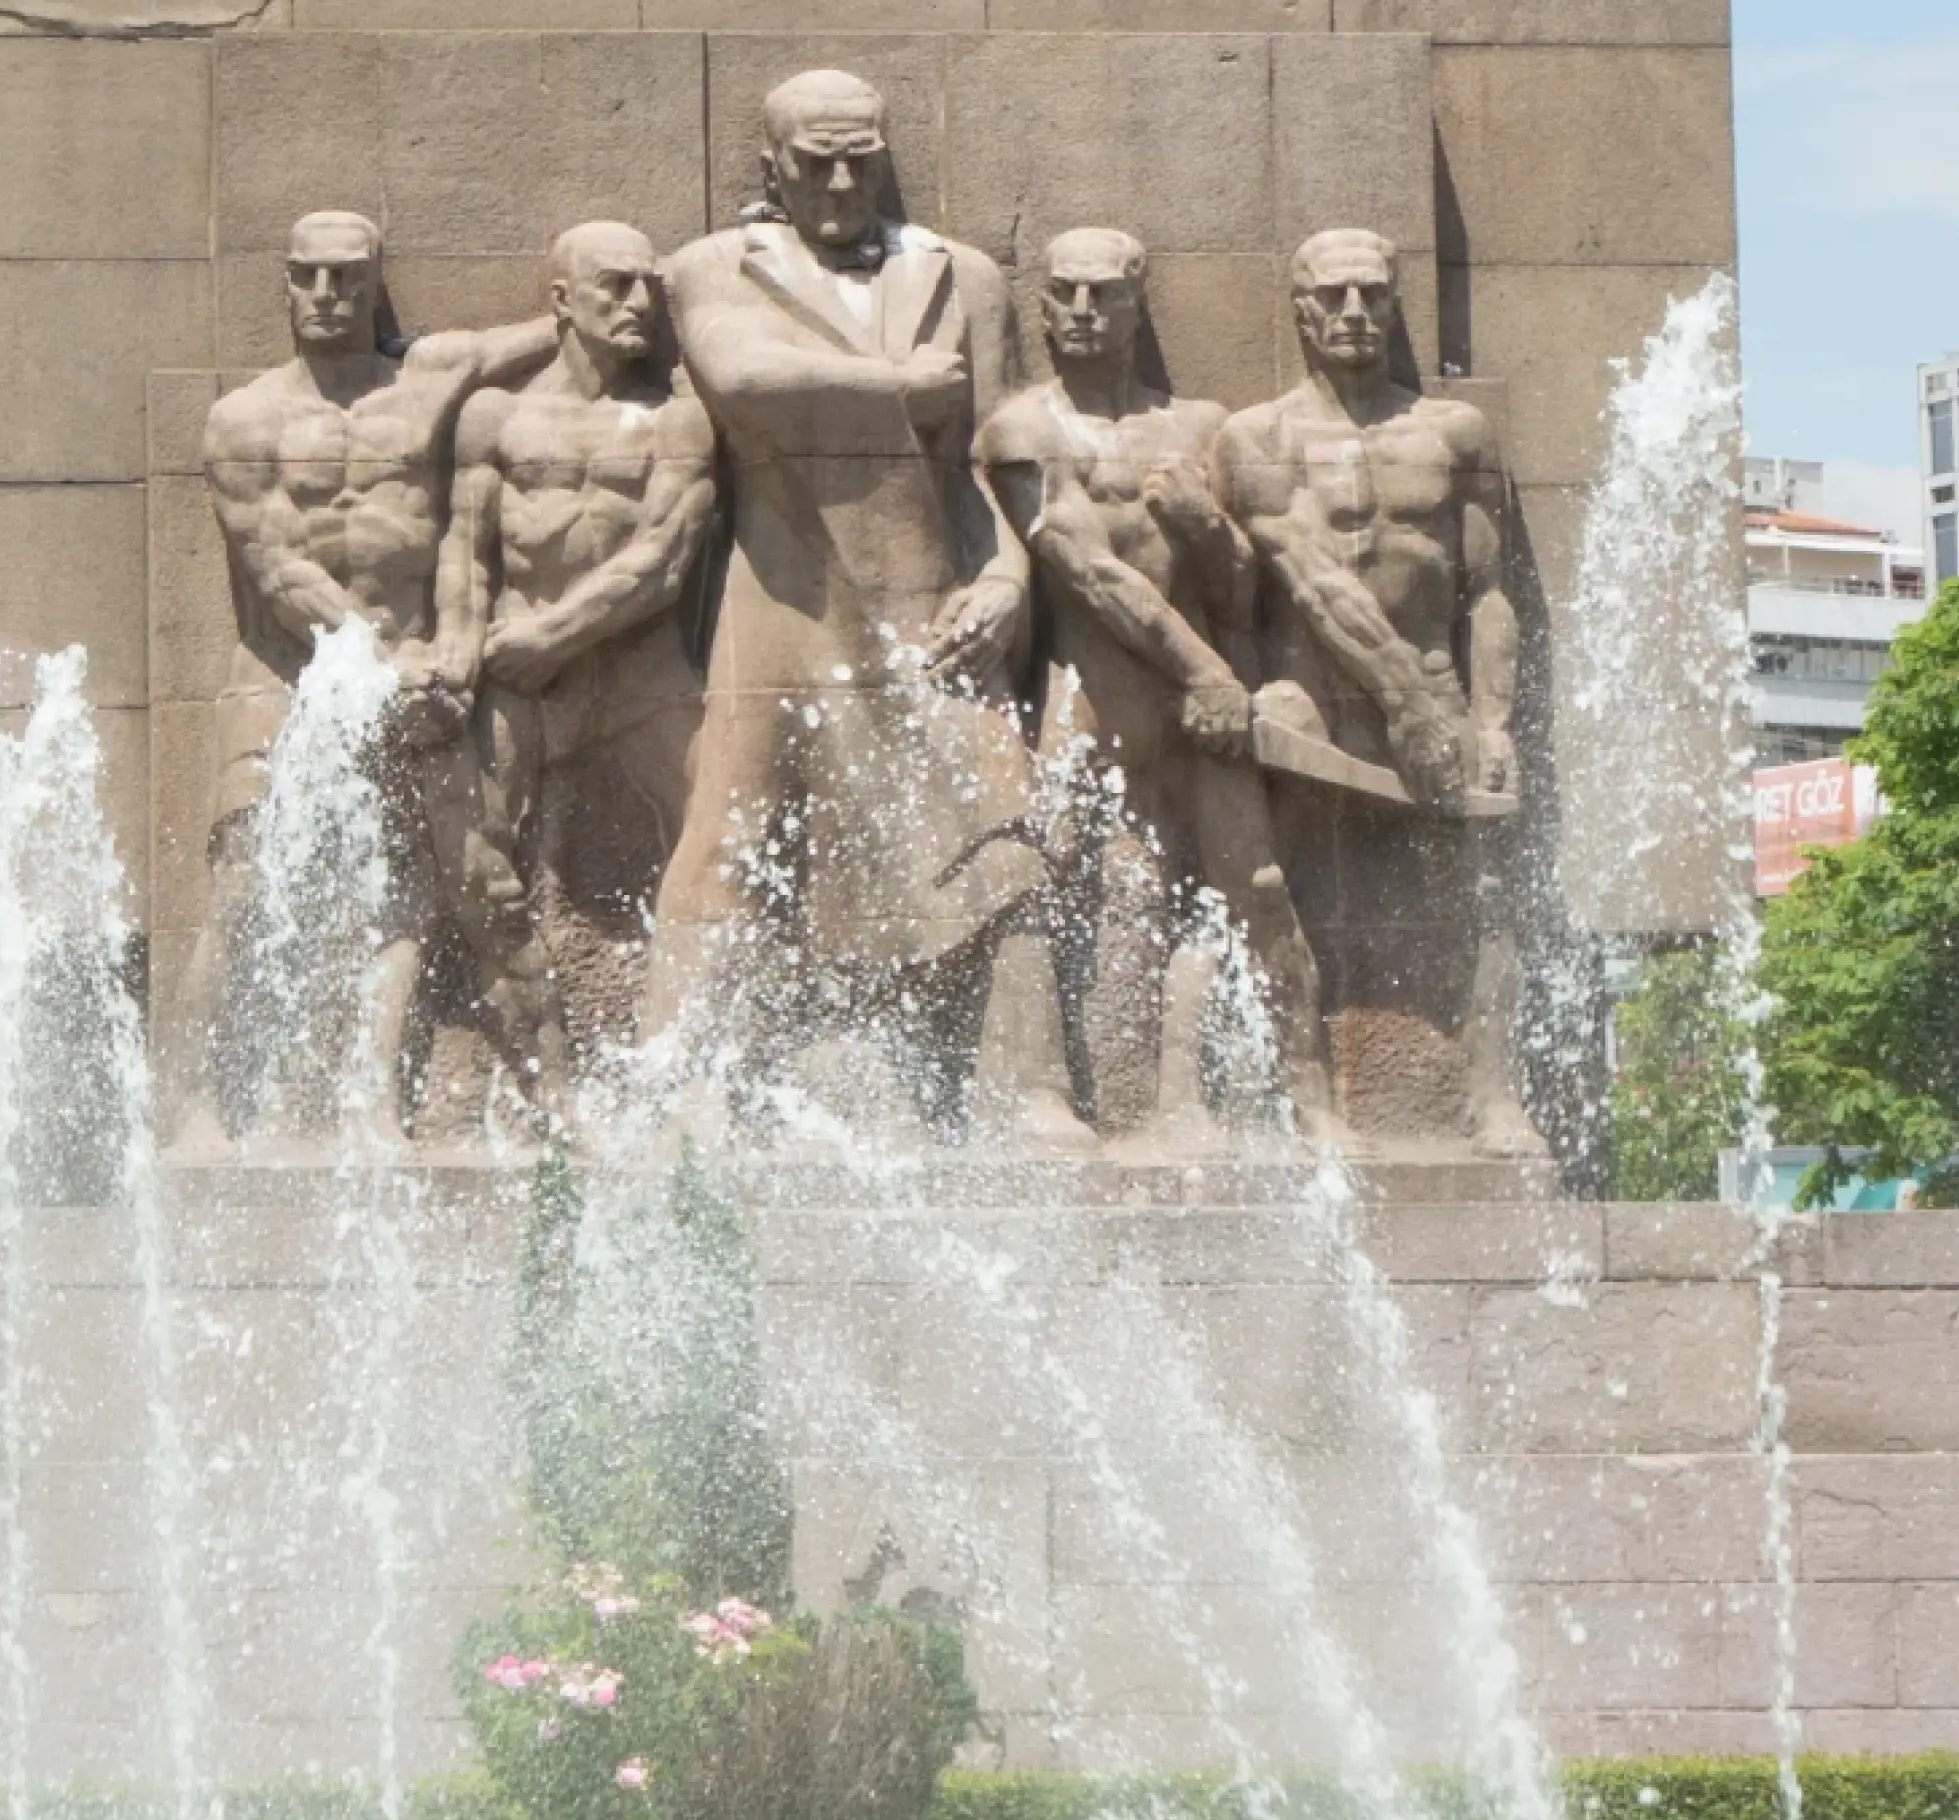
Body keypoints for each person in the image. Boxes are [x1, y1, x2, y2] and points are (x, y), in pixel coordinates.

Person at [644, 70, 1089, 1146]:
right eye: (816, 164)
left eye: (861, 161)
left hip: (936, 596)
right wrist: (903, 385)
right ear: (773, 167)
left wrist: (1008, 580)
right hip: (783, 601)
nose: (842, 184)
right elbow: (742, 378)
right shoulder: (713, 266)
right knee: (731, 835)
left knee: (1004, 827)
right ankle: (677, 1088)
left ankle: (1030, 1086)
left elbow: (995, 456)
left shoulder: (962, 276)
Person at [171, 211, 555, 1148]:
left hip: (413, 671)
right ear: (284, 282)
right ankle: (191, 1105)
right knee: (242, 885)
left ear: (375, 281)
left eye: (346, 275)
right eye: (306, 274)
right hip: (288, 672)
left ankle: (373, 1099)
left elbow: (556, 327)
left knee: (402, 893)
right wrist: (381, 665)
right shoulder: (244, 420)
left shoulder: (429, 383)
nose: (326, 294)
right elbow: (279, 571)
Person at [974, 226, 1333, 1141]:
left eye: (1105, 294)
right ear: (1041, 308)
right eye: (1066, 293)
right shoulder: (1021, 431)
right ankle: (1037, 1092)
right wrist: (1209, 673)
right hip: (1091, 699)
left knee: (1258, 889)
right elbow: (1089, 574)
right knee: (1035, 883)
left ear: (1139, 306)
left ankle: (1311, 1106)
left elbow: (1244, 595)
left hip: (1200, 712)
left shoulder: (1201, 428)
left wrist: (1207, 528)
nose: (1084, 311)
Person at [1215, 226, 1539, 1153]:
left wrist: (1492, 724)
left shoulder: (1454, 434)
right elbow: (1308, 578)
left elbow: (1489, 594)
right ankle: (1304, 1096)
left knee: (1490, 893)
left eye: (1372, 294)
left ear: (1396, 305)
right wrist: (1406, 705)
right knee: (1266, 880)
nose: (1354, 312)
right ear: (1301, 311)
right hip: (1316, 699)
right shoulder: (1257, 438)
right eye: (1332, 296)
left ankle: (1495, 1096)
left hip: (1439, 690)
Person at [438, 220, 723, 1116]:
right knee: (472, 858)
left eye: (649, 287)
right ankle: (549, 1075)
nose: (639, 303)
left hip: (639, 671)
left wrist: (554, 635)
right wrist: (457, 656)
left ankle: (687, 1074)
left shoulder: (679, 420)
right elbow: (464, 553)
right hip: (518, 674)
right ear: (561, 301)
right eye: (615, 284)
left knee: (728, 830)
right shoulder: (496, 416)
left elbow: (665, 561)